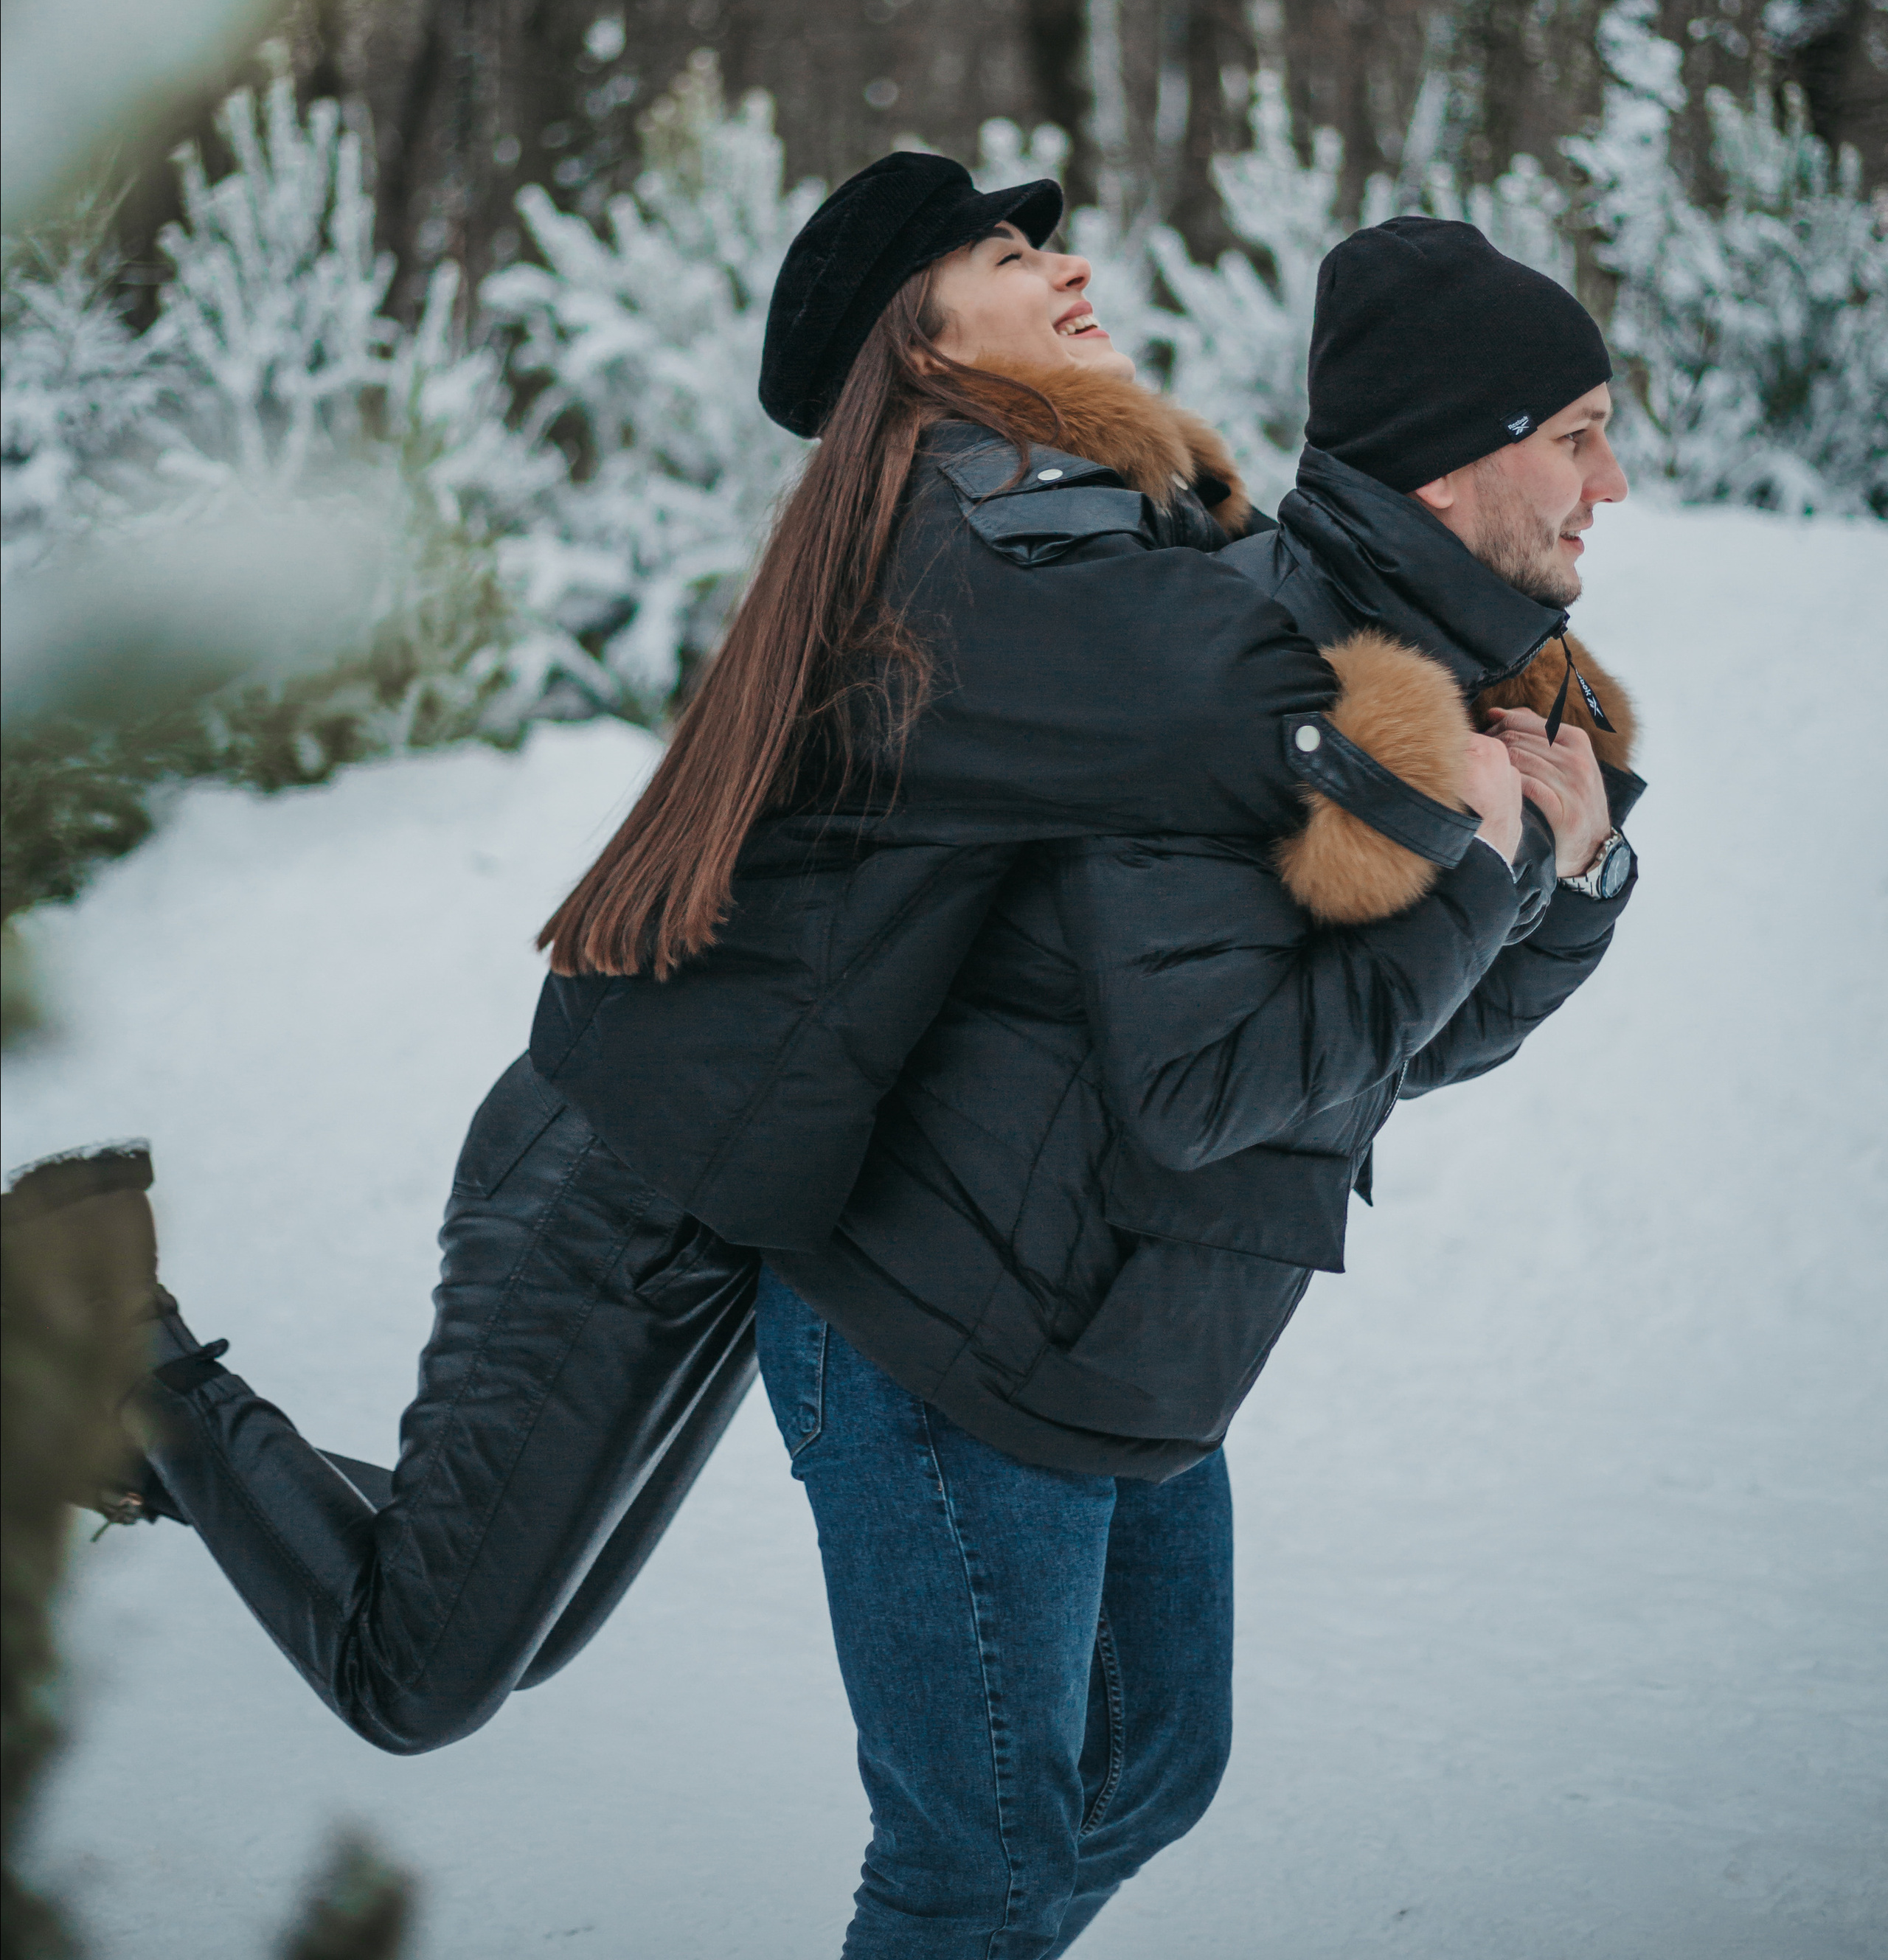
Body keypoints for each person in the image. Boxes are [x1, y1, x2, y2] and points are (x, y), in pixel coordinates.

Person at [4, 170, 1640, 1955]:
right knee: (423, 1667)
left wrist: (1488, 776)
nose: (1069, 266)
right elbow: (1222, 702)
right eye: (1011, 259)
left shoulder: (1053, 515)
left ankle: (157, 1441)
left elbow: (1245, 683)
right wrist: (1459, 757)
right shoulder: (976, 529)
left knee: (509, 1609)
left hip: (767, 1171)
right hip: (627, 1162)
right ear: (920, 344)